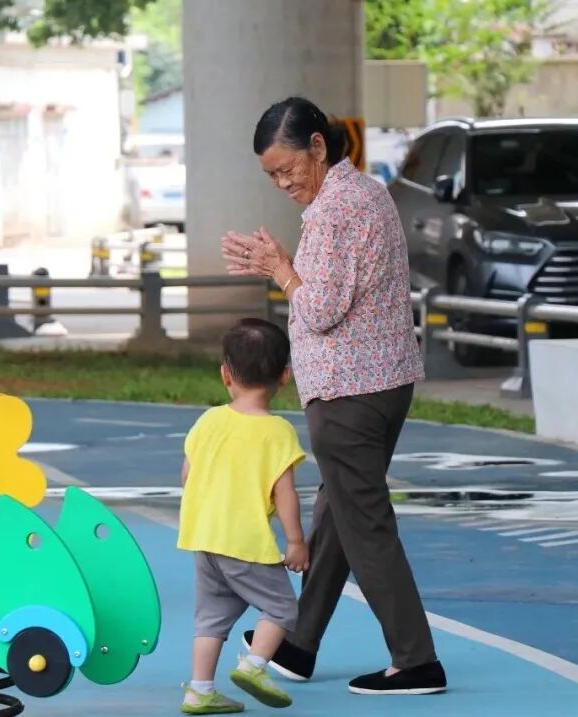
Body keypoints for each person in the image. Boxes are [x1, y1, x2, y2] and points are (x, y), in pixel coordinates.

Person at [220, 96, 446, 695]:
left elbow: (319, 308)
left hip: (350, 391)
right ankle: (299, 642)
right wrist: (281, 265)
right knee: (338, 518)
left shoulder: (335, 209)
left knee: (364, 524)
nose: (282, 183)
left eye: (287, 168)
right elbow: (331, 291)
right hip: (379, 383)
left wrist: (279, 269)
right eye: (271, 175)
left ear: (317, 146)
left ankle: (416, 659)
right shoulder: (363, 193)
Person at [178, 318, 308, 714]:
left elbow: (186, 475)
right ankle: (253, 665)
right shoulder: (277, 432)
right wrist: (296, 541)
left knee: (211, 618)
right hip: (245, 540)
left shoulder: (209, 420)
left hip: (204, 538)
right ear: (284, 376)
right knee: (283, 608)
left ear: (225, 374)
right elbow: (284, 494)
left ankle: (199, 690)